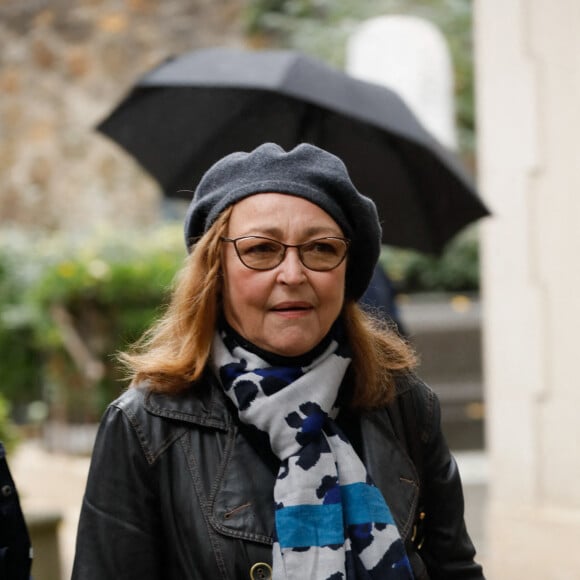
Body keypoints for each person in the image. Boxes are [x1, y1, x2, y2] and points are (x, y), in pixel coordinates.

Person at [72, 143, 484, 579]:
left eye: (321, 248)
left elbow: (455, 568)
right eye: (262, 249)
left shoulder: (404, 405)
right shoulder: (147, 426)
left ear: (347, 272)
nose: (293, 273)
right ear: (216, 268)